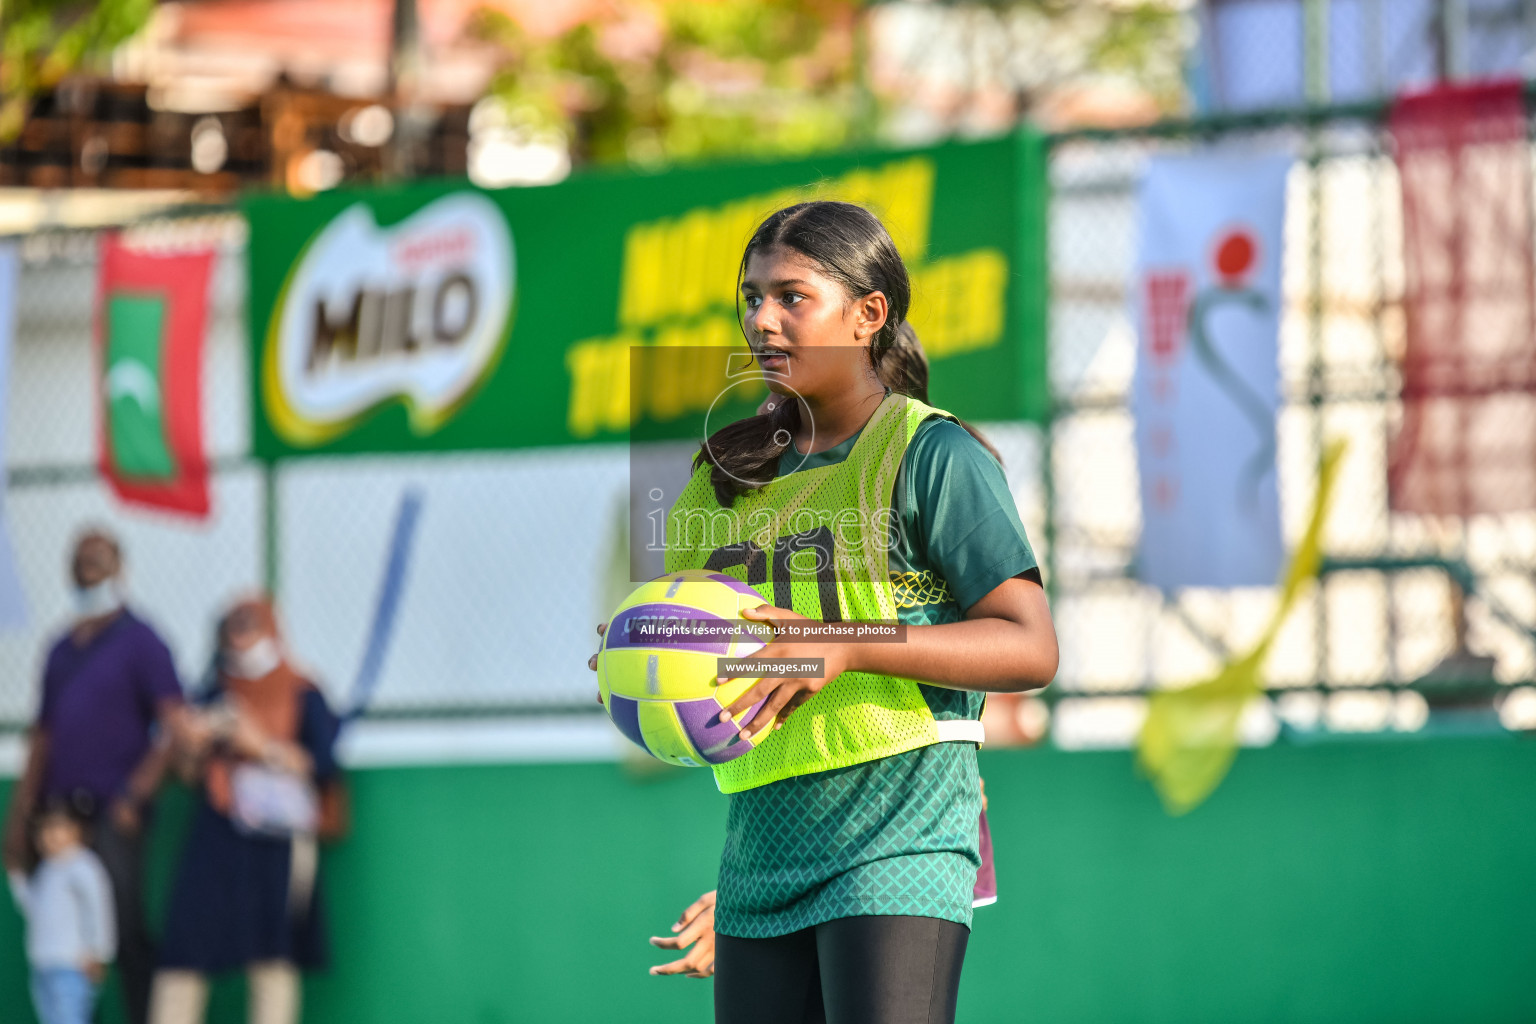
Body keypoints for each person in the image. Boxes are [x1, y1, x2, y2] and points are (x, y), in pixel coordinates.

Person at [599, 201, 1058, 1023]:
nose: (761, 320)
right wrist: (649, 656)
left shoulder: (933, 455)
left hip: (899, 827)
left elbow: (1030, 646)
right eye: (749, 298)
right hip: (761, 849)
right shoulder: (717, 479)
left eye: (791, 297)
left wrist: (844, 643)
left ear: (868, 314)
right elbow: (720, 665)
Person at [2, 529, 195, 1024]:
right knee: (62, 938)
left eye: (100, 559)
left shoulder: (142, 640)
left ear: (121, 569)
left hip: (114, 812)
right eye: (81, 560)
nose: (89, 568)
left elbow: (174, 726)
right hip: (59, 817)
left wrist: (136, 792)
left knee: (122, 930)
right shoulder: (61, 649)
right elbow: (42, 736)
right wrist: (22, 814)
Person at [149, 597, 345, 1024]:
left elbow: (323, 767)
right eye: (232, 628)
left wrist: (261, 746)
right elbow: (185, 772)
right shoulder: (214, 690)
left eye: (250, 626)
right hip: (219, 828)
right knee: (185, 946)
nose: (242, 638)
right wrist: (191, 741)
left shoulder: (302, 691)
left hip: (278, 837)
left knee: (272, 955)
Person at [8, 799, 117, 1024]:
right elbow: (34, 908)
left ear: (79, 831)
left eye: (59, 826)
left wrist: (99, 953)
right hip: (44, 964)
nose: (51, 834)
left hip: (72, 966)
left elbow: (98, 908)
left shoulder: (84, 866)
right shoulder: (46, 869)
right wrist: (17, 878)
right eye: (44, 828)